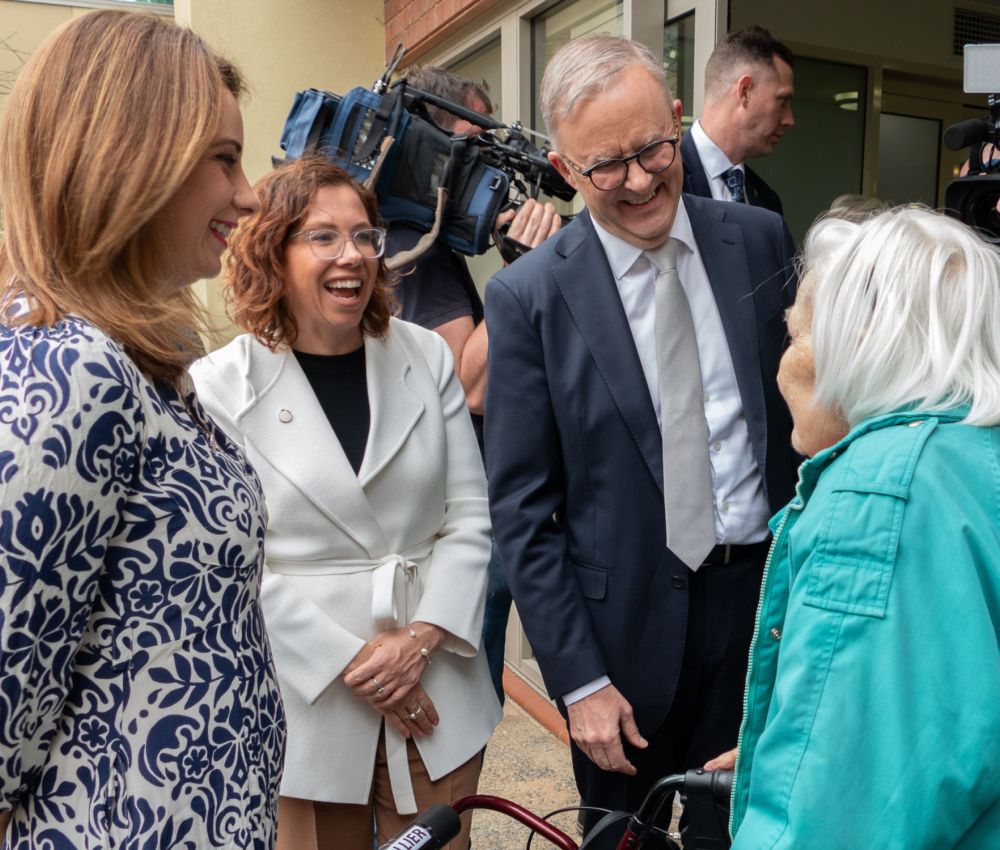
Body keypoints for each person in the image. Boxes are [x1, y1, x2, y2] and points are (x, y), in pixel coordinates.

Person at [484, 34, 798, 849]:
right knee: (626, 840)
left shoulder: (758, 239)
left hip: (756, 602)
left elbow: (798, 430)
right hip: (618, 637)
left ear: (678, 120)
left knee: (750, 829)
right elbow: (522, 511)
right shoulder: (530, 298)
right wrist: (579, 681)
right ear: (563, 169)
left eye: (652, 148)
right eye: (606, 167)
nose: (639, 179)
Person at [0, 10, 285, 849]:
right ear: (131, 157)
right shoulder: (68, 369)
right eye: (224, 159)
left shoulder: (128, 360)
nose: (248, 193)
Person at [189, 155, 500, 850]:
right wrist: (356, 663)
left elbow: (470, 517)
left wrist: (418, 643)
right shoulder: (216, 387)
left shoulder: (424, 354)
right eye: (323, 237)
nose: (353, 255)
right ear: (271, 250)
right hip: (309, 697)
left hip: (436, 682)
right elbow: (229, 560)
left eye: (365, 236)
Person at [719, 205, 1000, 849]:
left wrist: (811, 765)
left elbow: (836, 821)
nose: (784, 365)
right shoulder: (972, 455)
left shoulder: (876, 494)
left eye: (796, 337)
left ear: (861, 347)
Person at [388, 65, 561, 703]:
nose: (488, 165)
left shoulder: (391, 237)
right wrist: (524, 268)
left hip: (420, 502)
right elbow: (471, 386)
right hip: (459, 500)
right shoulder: (418, 250)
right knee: (469, 682)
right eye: (472, 142)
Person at [681, 26, 793, 215]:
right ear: (745, 91)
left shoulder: (768, 202)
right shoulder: (663, 181)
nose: (789, 119)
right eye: (782, 101)